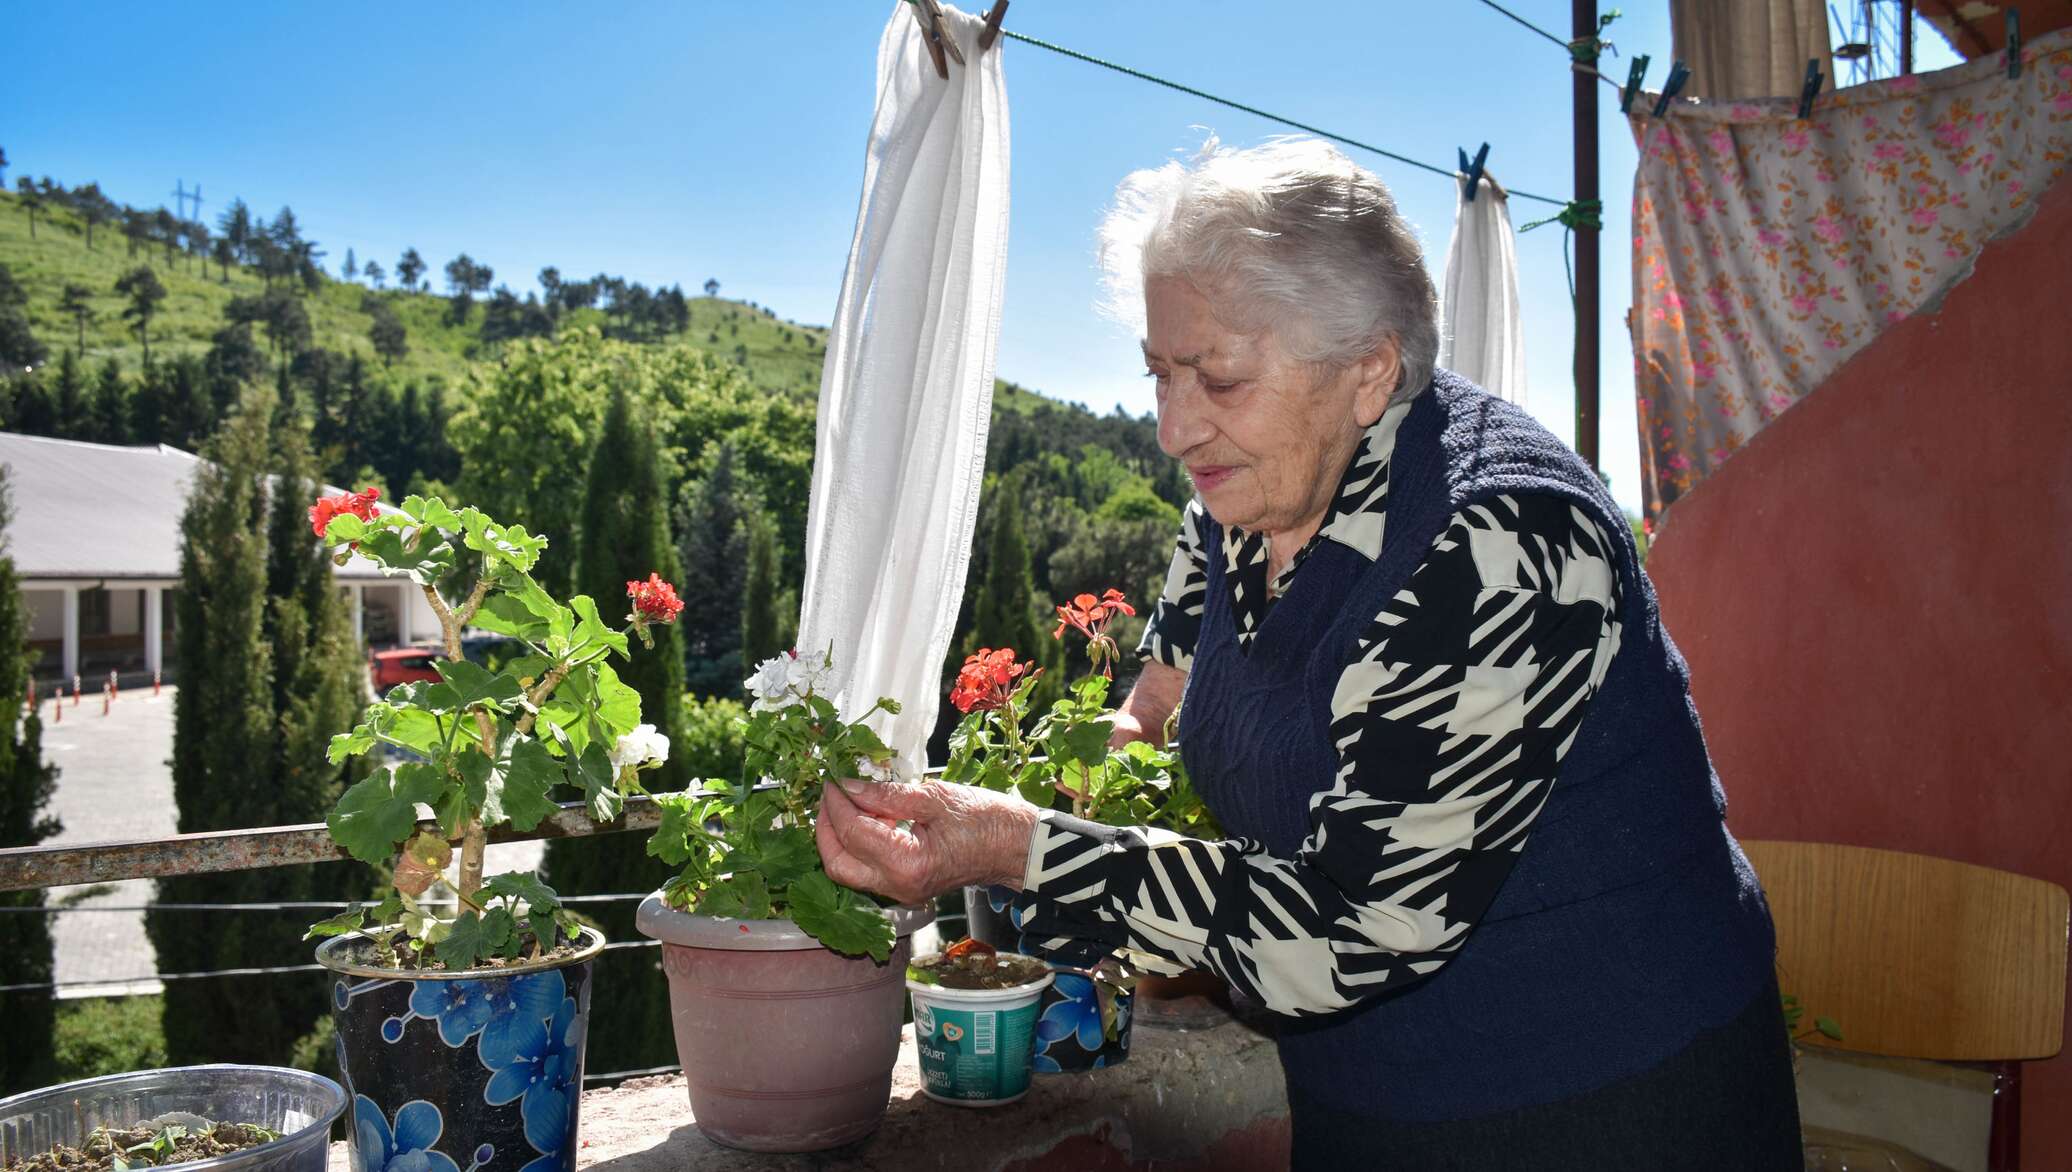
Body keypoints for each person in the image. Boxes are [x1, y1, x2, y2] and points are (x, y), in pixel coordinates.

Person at [816, 136, 1799, 1169]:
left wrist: (1017, 846)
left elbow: (1350, 925)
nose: (1172, 427)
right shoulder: (1241, 499)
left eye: (1220, 378)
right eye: (1159, 374)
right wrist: (1076, 765)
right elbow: (1158, 694)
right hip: (1367, 1091)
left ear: (1367, 371)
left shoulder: (1500, 544)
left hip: (1603, 1098)